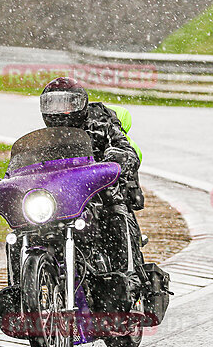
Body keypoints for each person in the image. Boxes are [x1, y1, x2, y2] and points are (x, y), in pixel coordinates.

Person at [39, 76, 145, 307]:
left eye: (68, 104)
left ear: (81, 104)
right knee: (30, 228)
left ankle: (132, 282)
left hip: (103, 192)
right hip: (66, 200)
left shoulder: (102, 121)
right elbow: (31, 164)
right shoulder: (44, 138)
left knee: (117, 217)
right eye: (53, 105)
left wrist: (118, 156)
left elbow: (124, 147)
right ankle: (25, 290)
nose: (61, 112)